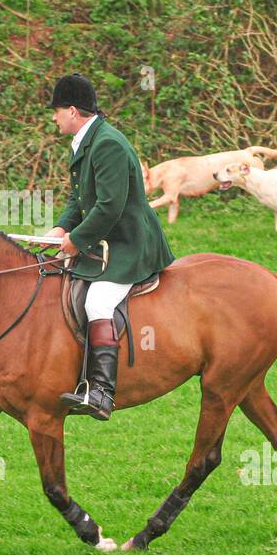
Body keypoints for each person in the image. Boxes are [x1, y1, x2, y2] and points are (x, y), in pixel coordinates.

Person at [47, 74, 176, 421]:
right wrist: (61, 227)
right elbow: (80, 198)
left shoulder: (108, 145)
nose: (54, 118)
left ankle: (101, 391)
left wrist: (75, 240)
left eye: (57, 112)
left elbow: (109, 206)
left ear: (73, 111)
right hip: (104, 240)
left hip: (130, 244)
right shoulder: (85, 142)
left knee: (97, 300)